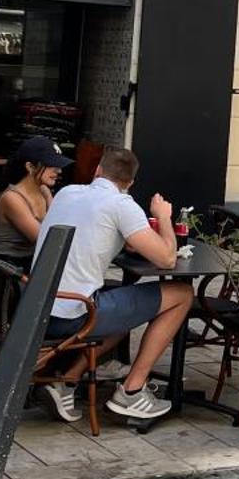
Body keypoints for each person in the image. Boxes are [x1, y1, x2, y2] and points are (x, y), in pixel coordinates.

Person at [32, 147, 190, 423]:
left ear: (98, 171)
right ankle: (132, 391)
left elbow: (122, 239)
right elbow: (165, 259)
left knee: (123, 301)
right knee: (182, 293)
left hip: (36, 305)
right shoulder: (121, 205)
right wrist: (163, 216)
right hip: (73, 313)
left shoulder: (68, 192)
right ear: (129, 183)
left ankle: (68, 380)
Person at [0, 135, 67, 258]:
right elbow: (44, 239)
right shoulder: (11, 198)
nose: (59, 171)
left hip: (35, 262)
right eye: (51, 165)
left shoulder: (44, 191)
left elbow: (58, 229)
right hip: (10, 267)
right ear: (30, 167)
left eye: (58, 166)